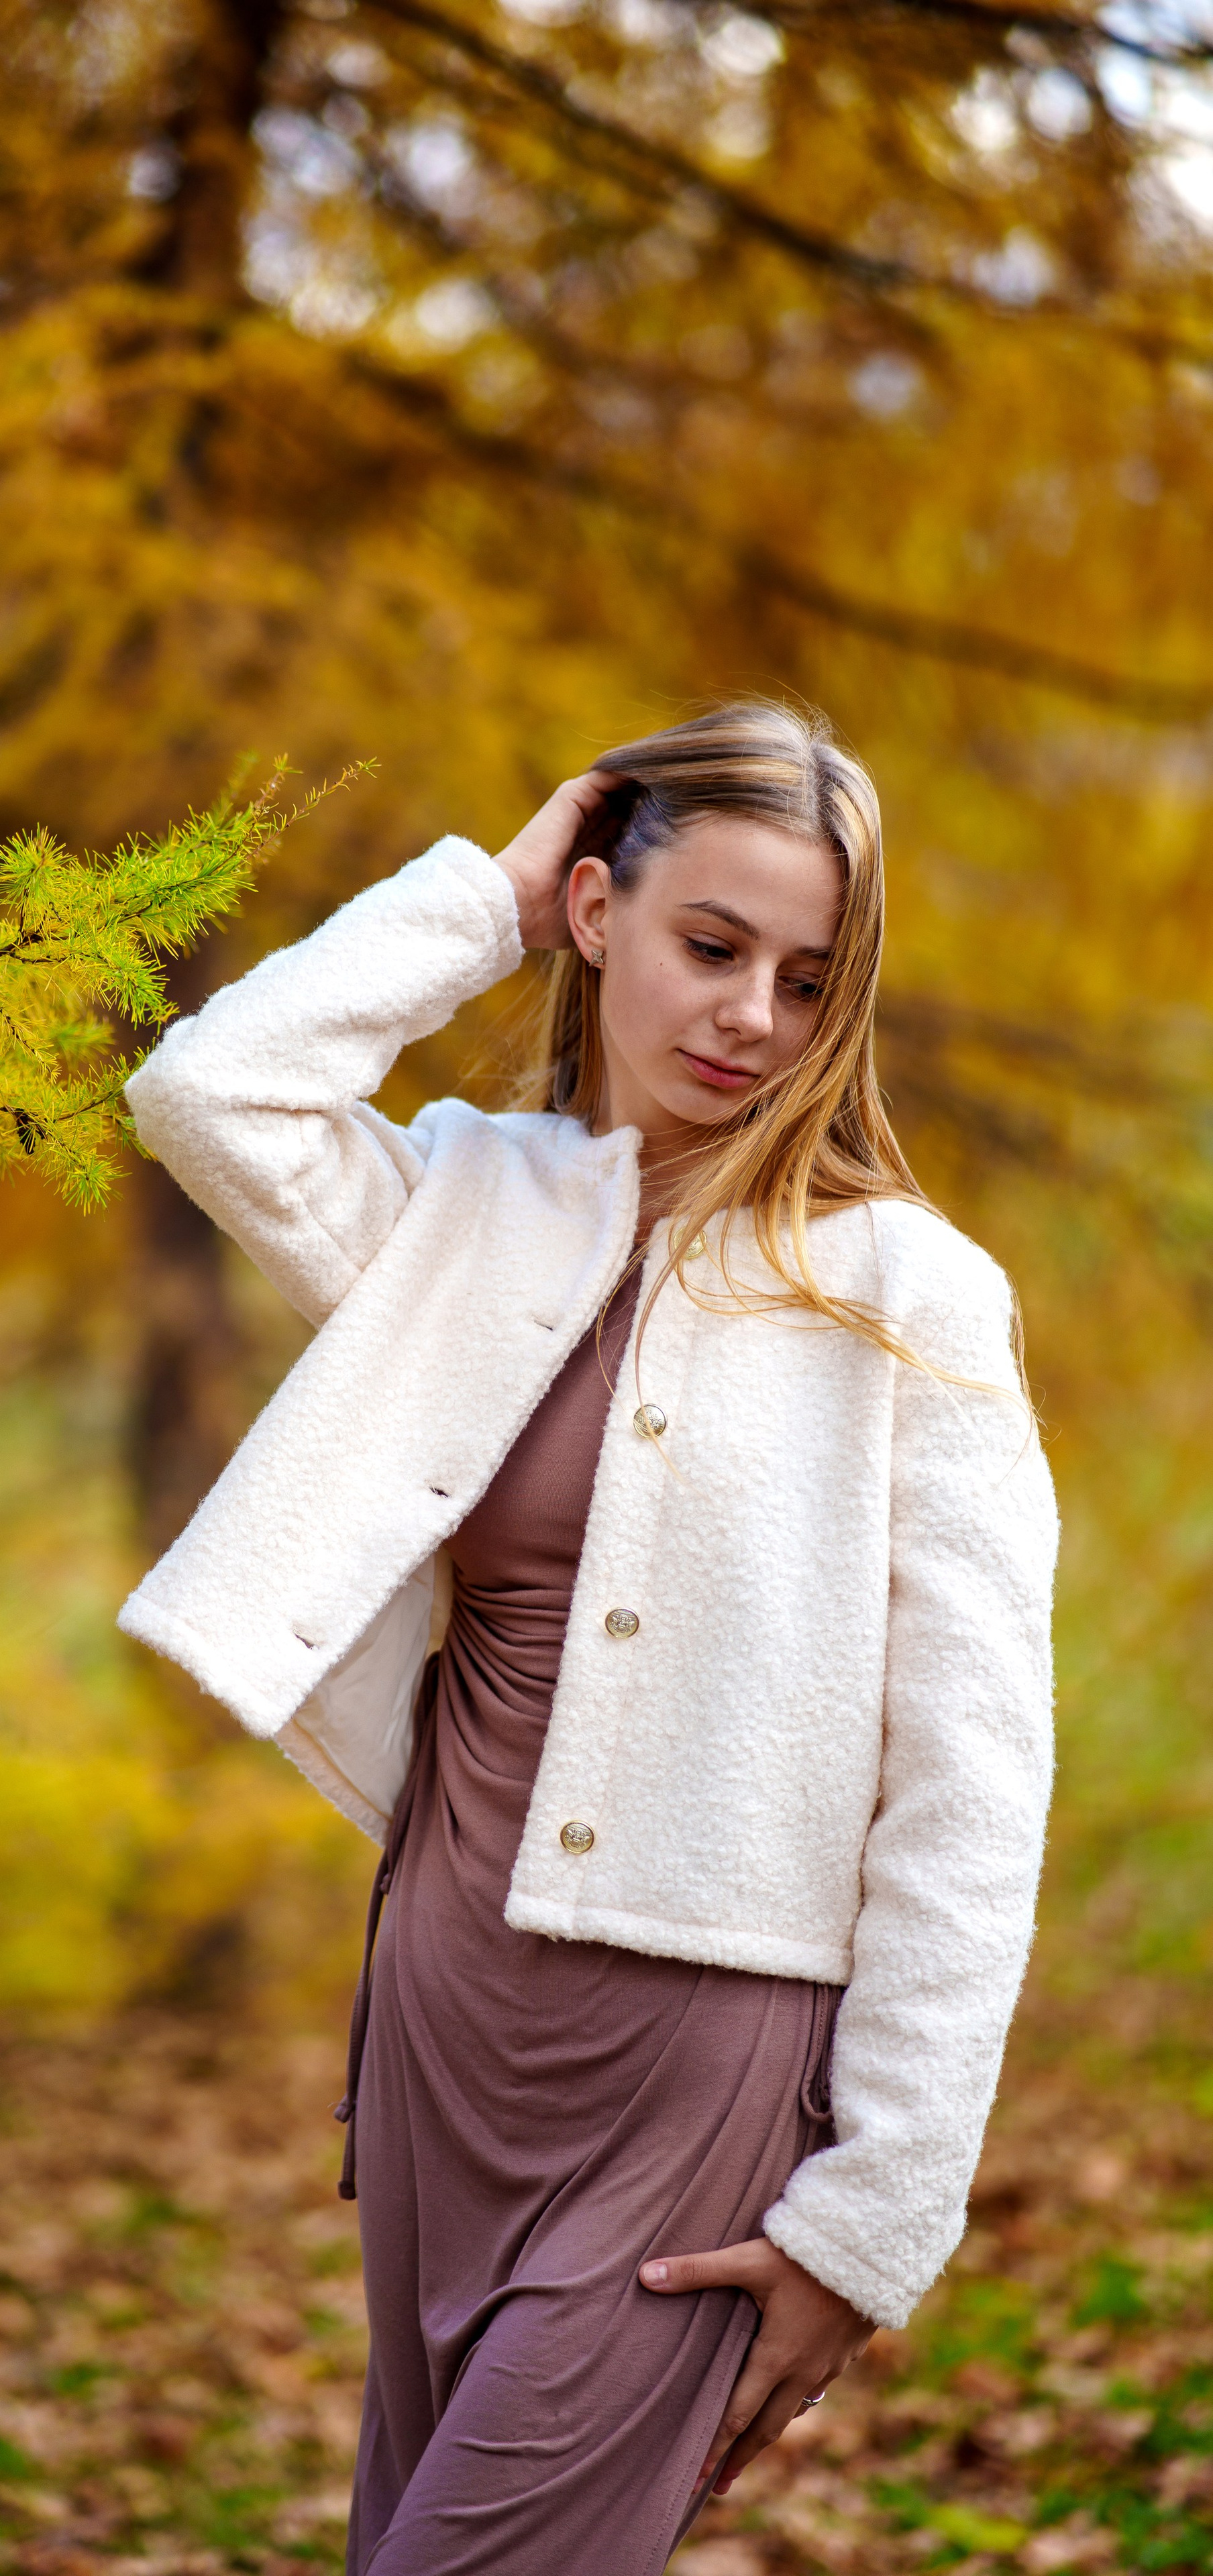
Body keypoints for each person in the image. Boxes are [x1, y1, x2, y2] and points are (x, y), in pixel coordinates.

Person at [117, 701, 1057, 2576]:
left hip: (699, 2060)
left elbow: (972, 1776)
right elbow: (212, 1094)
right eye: (712, 946)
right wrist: (490, 889)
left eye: (809, 980)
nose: (754, 1020)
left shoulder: (909, 1294)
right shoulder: (466, 1210)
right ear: (602, 911)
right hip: (443, 2018)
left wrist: (877, 2213)